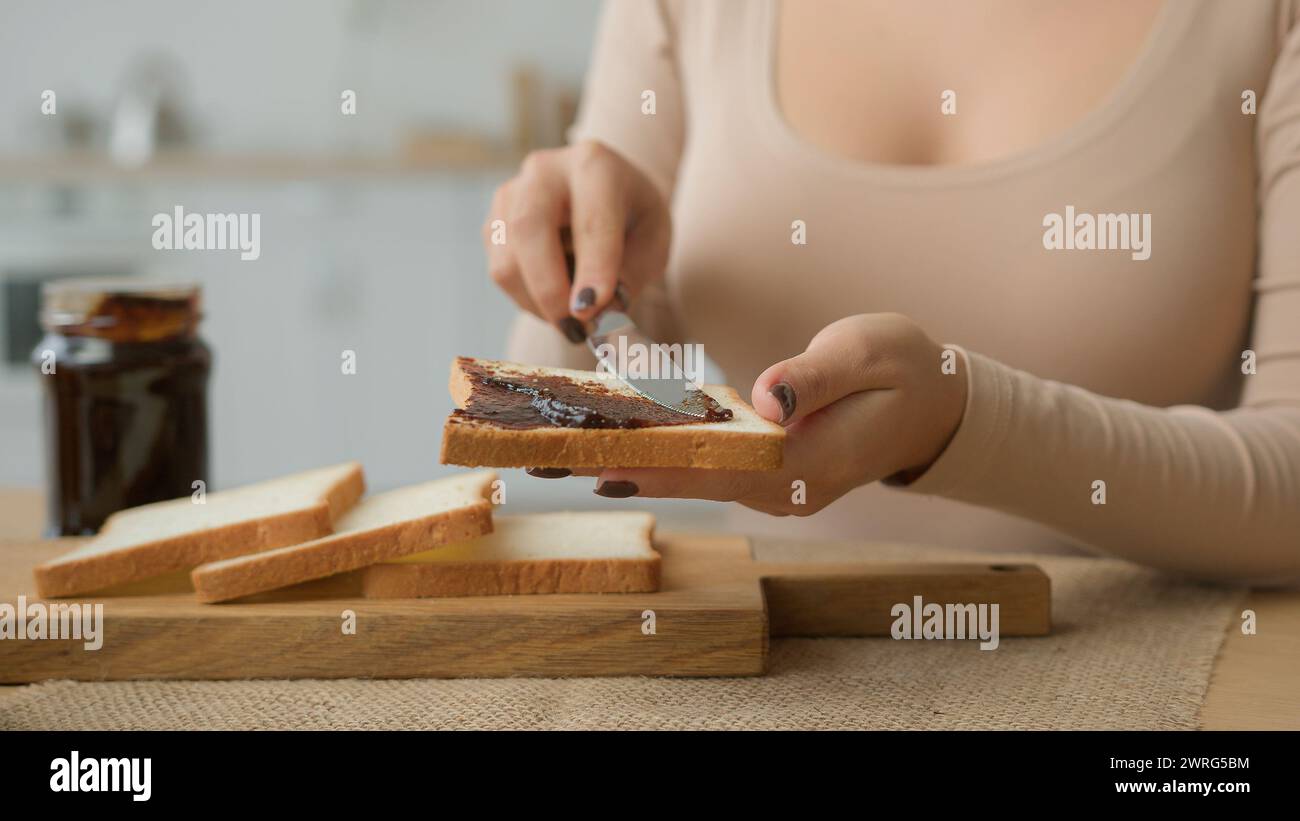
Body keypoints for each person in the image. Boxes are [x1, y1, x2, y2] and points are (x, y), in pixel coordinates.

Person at [481, 0, 1300, 583]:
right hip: (778, 683)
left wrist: (961, 426)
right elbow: (575, 397)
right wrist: (570, 255)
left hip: (1167, 696)